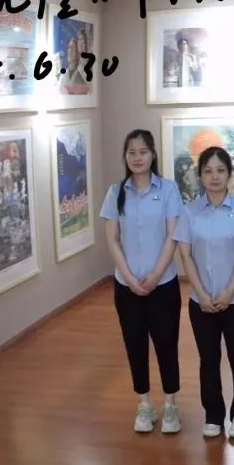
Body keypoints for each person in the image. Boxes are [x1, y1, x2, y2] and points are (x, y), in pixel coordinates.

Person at [100, 130, 183, 434]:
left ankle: (170, 405)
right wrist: (129, 278)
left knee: (166, 345)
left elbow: (173, 236)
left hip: (164, 286)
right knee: (135, 347)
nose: (137, 158)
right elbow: (112, 239)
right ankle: (144, 404)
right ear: (125, 156)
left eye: (143, 152)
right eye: (131, 152)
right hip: (127, 288)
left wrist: (156, 274)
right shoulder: (116, 192)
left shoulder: (169, 189)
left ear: (153, 155)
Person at [174, 147, 234, 440]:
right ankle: (213, 415)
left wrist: (229, 291)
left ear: (229, 174)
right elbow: (185, 255)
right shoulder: (189, 212)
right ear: (200, 176)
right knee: (208, 359)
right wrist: (201, 292)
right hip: (201, 301)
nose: (215, 176)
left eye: (220, 170)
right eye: (208, 171)